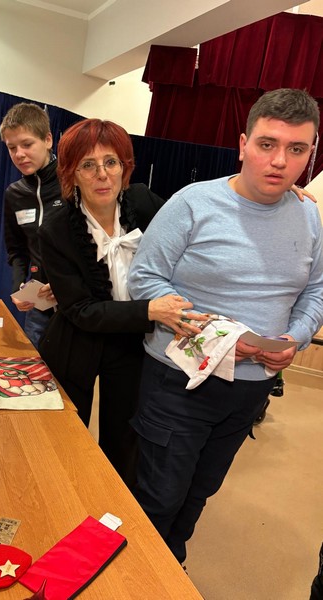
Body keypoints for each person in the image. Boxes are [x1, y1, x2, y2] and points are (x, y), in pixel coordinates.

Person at [127, 88, 323, 564]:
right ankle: (135, 579)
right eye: (267, 144)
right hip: (180, 381)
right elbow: (144, 279)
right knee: (157, 495)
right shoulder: (192, 203)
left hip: (252, 387)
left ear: (311, 154)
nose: (280, 161)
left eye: (296, 149)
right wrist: (215, 338)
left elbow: (316, 292)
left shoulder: (309, 216)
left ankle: (170, 567)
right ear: (242, 144)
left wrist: (295, 338)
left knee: (201, 491)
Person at [37, 118, 208, 485]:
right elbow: (81, 310)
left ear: (125, 167)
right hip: (76, 342)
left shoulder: (143, 202)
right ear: (71, 174)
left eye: (111, 162)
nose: (102, 174)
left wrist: (263, 194)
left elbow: (200, 222)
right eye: (88, 165)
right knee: (65, 435)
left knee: (125, 438)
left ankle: (113, 504)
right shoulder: (55, 229)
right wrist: (150, 310)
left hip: (132, 343)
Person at [0, 102, 58, 349]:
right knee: (34, 368)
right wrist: (18, 287)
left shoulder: (73, 184)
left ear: (47, 140)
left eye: (27, 144)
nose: (19, 154)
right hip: (38, 304)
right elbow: (16, 250)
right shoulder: (15, 194)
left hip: (76, 304)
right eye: (12, 147)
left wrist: (66, 285)